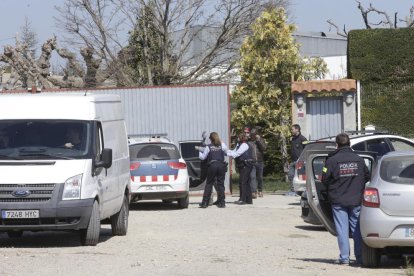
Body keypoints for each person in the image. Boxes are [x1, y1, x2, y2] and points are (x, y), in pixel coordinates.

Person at [321, 133, 370, 265]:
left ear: (337, 145)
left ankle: (344, 258)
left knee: (342, 229)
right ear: (349, 144)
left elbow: (324, 179)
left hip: (338, 200)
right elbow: (367, 176)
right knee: (356, 229)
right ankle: (360, 258)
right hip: (356, 199)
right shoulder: (359, 159)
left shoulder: (331, 160)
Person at [198, 132, 229, 208]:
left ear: (211, 139)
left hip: (212, 165)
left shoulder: (209, 147)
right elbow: (226, 152)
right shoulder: (222, 145)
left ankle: (205, 203)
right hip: (221, 165)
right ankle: (222, 203)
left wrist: (199, 150)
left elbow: (202, 157)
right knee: (221, 184)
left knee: (209, 184)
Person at [227, 132, 254, 205]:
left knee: (242, 182)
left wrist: (226, 153)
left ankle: (243, 199)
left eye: (238, 137)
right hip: (244, 165)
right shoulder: (239, 145)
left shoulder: (244, 145)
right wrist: (225, 151)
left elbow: (236, 154)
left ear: (241, 138)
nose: (237, 138)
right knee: (246, 182)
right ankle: (249, 200)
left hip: (246, 165)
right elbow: (234, 152)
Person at [287, 124, 307, 196]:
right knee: (290, 175)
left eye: (292, 129)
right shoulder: (293, 139)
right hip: (293, 160)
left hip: (300, 161)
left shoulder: (303, 139)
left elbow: (306, 149)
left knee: (301, 177)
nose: (291, 131)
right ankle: (293, 190)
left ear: (297, 130)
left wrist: (303, 159)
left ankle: (302, 191)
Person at [249, 127, 267, 198]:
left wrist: (258, 140)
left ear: (257, 134)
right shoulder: (249, 141)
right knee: (252, 177)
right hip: (252, 161)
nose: (253, 136)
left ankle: (260, 190)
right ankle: (253, 191)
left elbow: (264, 148)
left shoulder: (261, 140)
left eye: (254, 134)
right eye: (252, 134)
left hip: (260, 161)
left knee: (260, 177)